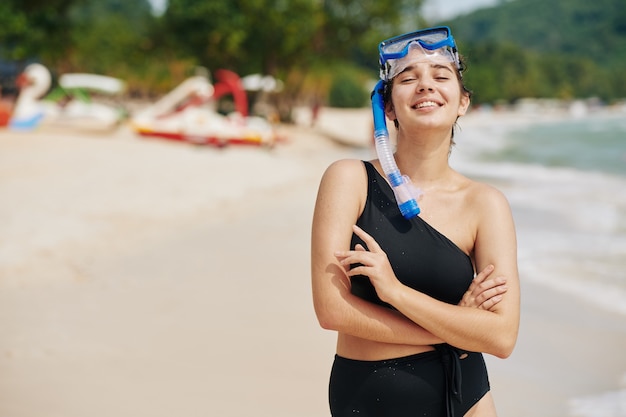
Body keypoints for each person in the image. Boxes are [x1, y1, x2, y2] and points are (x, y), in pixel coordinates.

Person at [311, 26, 520, 417]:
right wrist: (456, 329)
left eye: (441, 77)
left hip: (469, 400)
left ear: (462, 103)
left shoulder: (484, 203)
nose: (426, 85)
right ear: (387, 107)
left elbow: (502, 336)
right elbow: (332, 310)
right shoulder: (349, 179)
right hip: (370, 399)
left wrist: (396, 293)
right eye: (408, 79)